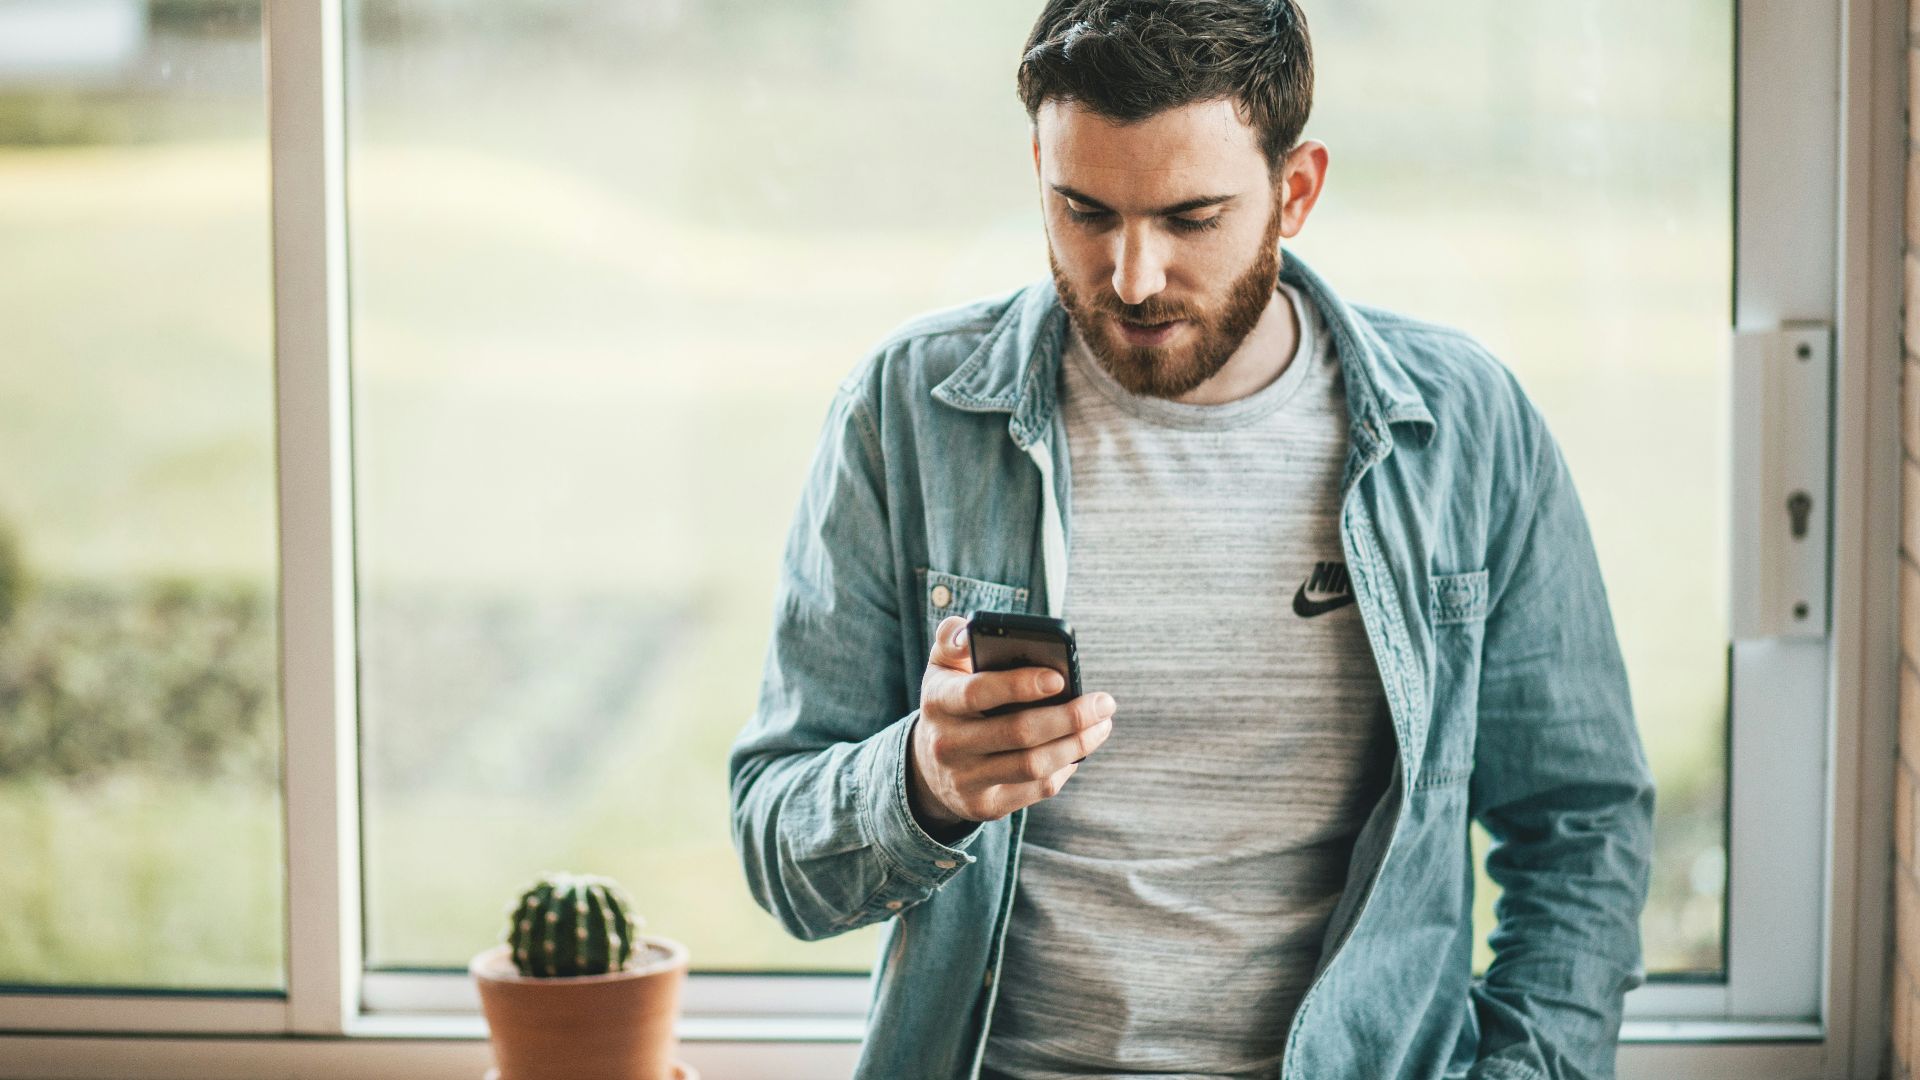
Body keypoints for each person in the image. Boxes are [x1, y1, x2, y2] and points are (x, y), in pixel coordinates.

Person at [727, 2, 1655, 1077]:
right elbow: (780, 853)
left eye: (1191, 218)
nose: (1131, 276)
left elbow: (1581, 825)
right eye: (1083, 210)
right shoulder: (907, 411)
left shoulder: (1465, 428)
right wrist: (923, 783)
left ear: (1295, 190)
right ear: (1038, 167)